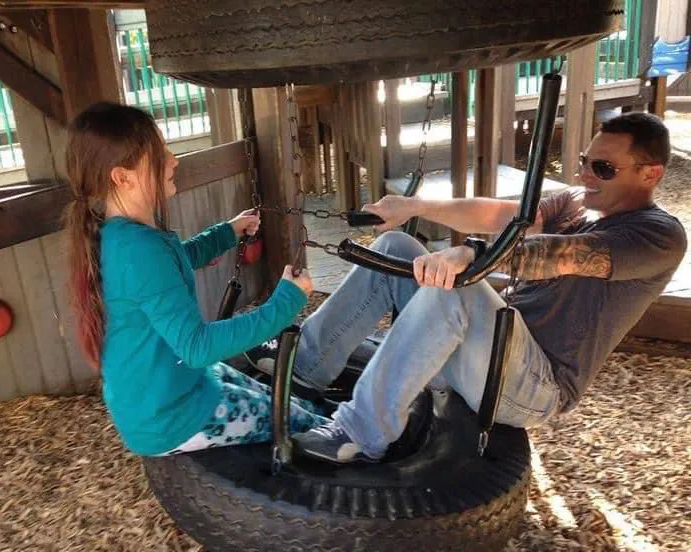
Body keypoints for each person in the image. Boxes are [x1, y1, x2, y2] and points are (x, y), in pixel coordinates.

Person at [248, 111, 687, 464]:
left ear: (650, 174)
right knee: (396, 247)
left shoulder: (657, 236)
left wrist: (472, 255)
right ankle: (307, 367)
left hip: (534, 385)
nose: (587, 175)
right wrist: (413, 206)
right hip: (491, 348)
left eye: (603, 168)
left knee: (459, 284)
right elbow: (498, 215)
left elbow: (566, 255)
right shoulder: (577, 201)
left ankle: (361, 433)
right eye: (585, 162)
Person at [64, 102, 328, 457]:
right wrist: (285, 302)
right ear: (122, 177)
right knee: (310, 426)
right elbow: (197, 347)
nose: (173, 161)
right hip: (170, 416)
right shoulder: (139, 249)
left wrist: (226, 233)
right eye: (159, 155)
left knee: (294, 405)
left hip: (169, 389)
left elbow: (171, 267)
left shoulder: (120, 235)